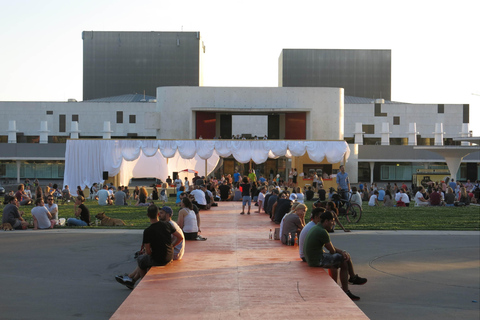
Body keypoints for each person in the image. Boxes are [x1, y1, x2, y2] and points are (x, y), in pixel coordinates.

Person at [115, 205, 183, 289]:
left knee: (141, 259)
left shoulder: (148, 231)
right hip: (169, 256)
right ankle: (131, 279)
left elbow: (148, 252)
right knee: (144, 259)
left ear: (147, 215)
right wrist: (171, 247)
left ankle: (145, 284)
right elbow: (180, 237)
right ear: (158, 214)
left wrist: (150, 252)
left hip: (160, 259)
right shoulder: (167, 225)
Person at [303, 211, 367, 301]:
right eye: (332, 221)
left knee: (341, 257)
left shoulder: (316, 228)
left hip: (312, 258)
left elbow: (330, 248)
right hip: (316, 260)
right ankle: (348, 285)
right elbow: (332, 250)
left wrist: (342, 252)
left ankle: (351, 281)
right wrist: (343, 252)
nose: (333, 224)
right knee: (343, 259)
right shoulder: (322, 232)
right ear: (326, 221)